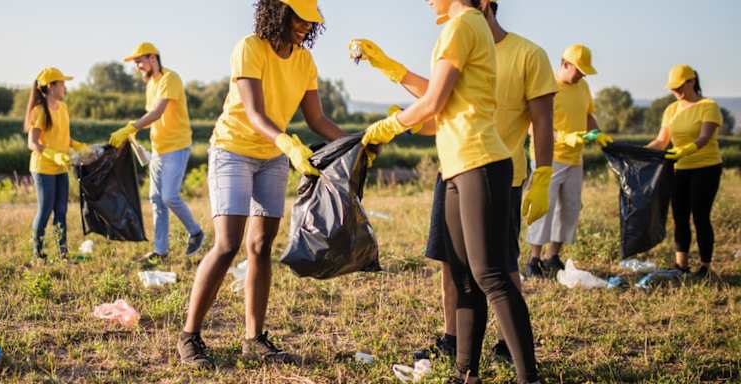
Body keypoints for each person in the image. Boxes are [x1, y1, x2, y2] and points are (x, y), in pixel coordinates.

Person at [352, 0, 557, 366]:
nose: (428, 1)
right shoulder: (469, 29)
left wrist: (389, 127)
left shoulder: (469, 29)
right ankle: (466, 371)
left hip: (483, 162)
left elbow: (434, 102)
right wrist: (392, 72)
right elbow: (443, 108)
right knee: (463, 274)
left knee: (492, 273)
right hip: (457, 165)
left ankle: (523, 368)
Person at [176, 0, 345, 369]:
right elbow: (254, 113)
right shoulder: (250, 48)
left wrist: (354, 143)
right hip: (233, 150)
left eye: (309, 20)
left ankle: (254, 339)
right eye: (298, 17)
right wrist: (286, 142)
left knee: (261, 245)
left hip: (272, 157)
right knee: (227, 243)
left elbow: (316, 118)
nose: (304, 25)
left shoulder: (304, 61)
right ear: (278, 12)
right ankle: (189, 336)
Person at [109, 42, 205, 262]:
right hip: (158, 149)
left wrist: (131, 126)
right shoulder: (150, 83)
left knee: (169, 196)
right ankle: (160, 251)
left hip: (177, 147)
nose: (137, 67)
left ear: (153, 58)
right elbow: (149, 115)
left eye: (139, 61)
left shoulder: (170, 79)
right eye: (135, 63)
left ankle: (196, 232)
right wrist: (134, 134)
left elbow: (158, 112)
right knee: (155, 199)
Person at [524, 44, 612, 278]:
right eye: (579, 70)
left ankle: (552, 257)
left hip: (575, 159)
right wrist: (564, 137)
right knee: (544, 208)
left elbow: (588, 114)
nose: (582, 75)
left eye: (585, 71)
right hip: (548, 158)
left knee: (569, 208)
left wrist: (598, 134)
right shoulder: (546, 84)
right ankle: (533, 260)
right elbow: (533, 125)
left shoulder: (583, 86)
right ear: (565, 64)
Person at [646, 64, 724, 278]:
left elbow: (704, 137)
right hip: (680, 168)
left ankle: (705, 267)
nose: (676, 91)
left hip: (706, 168)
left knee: (700, 216)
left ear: (691, 82)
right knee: (679, 216)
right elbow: (662, 141)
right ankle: (681, 265)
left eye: (679, 86)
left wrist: (686, 149)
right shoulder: (671, 110)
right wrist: (639, 152)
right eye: (672, 88)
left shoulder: (708, 106)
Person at [24, 67, 89, 263]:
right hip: (43, 167)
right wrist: (53, 155)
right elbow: (32, 143)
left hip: (61, 166)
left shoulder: (63, 108)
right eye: (62, 83)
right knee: (45, 210)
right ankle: (38, 252)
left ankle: (63, 253)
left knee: (61, 210)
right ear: (51, 86)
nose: (65, 87)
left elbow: (64, 137)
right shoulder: (39, 111)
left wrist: (78, 146)